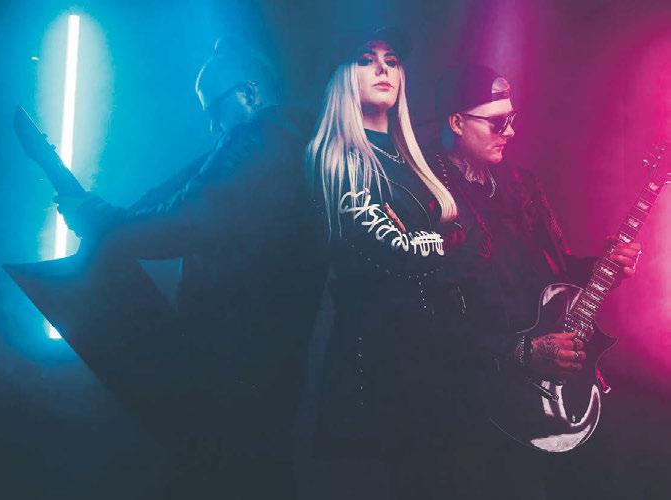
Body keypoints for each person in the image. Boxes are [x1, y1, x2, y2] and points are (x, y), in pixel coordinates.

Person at [56, 37, 327, 499]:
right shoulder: (285, 139)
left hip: (241, 356)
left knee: (229, 470)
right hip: (260, 354)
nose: (212, 125)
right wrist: (108, 219)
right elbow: (180, 199)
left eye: (214, 109)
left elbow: (186, 219)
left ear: (249, 93)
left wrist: (103, 222)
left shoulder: (265, 137)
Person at [422, 64, 642, 499]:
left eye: (513, 118)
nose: (510, 131)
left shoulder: (521, 184)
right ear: (457, 122)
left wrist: (602, 268)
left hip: (554, 388)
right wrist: (520, 350)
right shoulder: (427, 194)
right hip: (475, 401)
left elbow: (555, 274)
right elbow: (424, 314)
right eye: (497, 122)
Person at [306, 28, 473, 498]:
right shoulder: (338, 157)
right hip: (372, 364)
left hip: (431, 358)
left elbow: (467, 240)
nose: (383, 68)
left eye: (392, 60)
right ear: (343, 75)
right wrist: (443, 242)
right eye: (366, 59)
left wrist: (428, 242)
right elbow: (392, 251)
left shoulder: (411, 158)